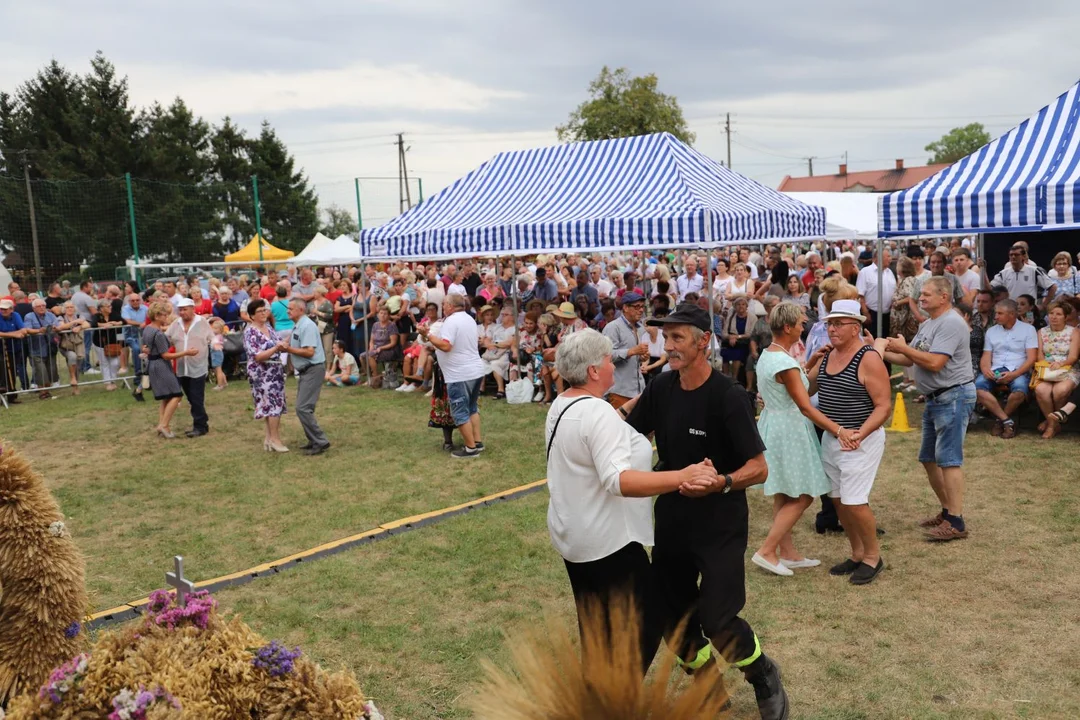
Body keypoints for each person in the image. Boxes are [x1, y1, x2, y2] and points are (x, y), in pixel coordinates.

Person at [616, 303, 785, 719]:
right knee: (672, 615)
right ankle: (707, 683)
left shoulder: (728, 396)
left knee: (718, 618)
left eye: (677, 338)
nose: (668, 346)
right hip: (673, 517)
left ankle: (762, 673)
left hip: (720, 522)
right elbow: (626, 435)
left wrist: (722, 481)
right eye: (665, 337)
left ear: (703, 341)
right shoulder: (661, 388)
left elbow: (759, 469)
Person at [545, 328, 716, 674]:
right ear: (594, 370)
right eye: (608, 360)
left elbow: (610, 427)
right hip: (607, 542)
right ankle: (617, 699)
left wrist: (649, 394)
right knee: (647, 621)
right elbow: (619, 480)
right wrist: (685, 475)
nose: (613, 365)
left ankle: (598, 694)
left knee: (598, 628)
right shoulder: (596, 414)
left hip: (575, 536)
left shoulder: (566, 404)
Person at [752, 302, 849, 577]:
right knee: (805, 493)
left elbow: (791, 382)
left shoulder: (770, 355)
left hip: (775, 425)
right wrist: (839, 430)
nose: (803, 327)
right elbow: (805, 405)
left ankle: (789, 553)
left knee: (783, 492)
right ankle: (768, 550)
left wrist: (810, 362)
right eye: (800, 323)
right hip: (790, 430)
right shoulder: (783, 361)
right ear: (787, 327)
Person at [878, 277, 976, 542]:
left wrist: (903, 347)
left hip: (952, 396)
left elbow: (934, 363)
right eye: (920, 295)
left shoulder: (952, 322)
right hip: (936, 398)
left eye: (926, 295)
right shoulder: (930, 323)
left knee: (949, 459)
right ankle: (948, 512)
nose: (920, 298)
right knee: (929, 458)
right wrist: (878, 348)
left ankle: (955, 521)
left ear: (944, 297)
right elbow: (908, 357)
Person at [808, 299, 892, 585]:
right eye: (829, 323)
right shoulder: (828, 354)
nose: (831, 329)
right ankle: (857, 553)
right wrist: (810, 362)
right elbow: (807, 387)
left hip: (859, 438)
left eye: (838, 323)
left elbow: (883, 406)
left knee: (854, 501)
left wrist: (860, 434)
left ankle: (872, 557)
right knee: (838, 500)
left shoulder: (868, 358)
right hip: (833, 437)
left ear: (856, 327)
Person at [418, 293, 486, 459]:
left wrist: (429, 335)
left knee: (460, 411)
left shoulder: (451, 321)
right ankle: (477, 442)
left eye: (444, 304)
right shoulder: (469, 318)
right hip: (474, 370)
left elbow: (446, 346)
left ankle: (470, 449)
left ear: (450, 305)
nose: (442, 307)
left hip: (459, 374)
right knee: (472, 408)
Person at [975, 299, 1038, 439]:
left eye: (999, 313)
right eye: (996, 313)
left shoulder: (1028, 330)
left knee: (1020, 390)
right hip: (996, 368)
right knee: (978, 388)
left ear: (1011, 314)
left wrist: (1014, 374)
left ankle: (999, 421)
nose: (995, 316)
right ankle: (1007, 420)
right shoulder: (992, 331)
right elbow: (986, 355)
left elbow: (1031, 358)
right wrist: (985, 368)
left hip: (1018, 369)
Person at [277, 298, 330, 455]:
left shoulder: (307, 326)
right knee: (305, 408)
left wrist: (289, 350)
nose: (288, 311)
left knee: (303, 408)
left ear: (301, 310)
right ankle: (313, 440)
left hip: (313, 369)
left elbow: (309, 352)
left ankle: (320, 441)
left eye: (291, 309)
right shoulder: (298, 325)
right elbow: (293, 341)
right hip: (307, 370)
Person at [243, 299, 288, 452]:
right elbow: (257, 356)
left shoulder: (268, 327)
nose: (263, 313)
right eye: (259, 311)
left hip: (275, 370)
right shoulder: (250, 331)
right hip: (261, 373)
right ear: (252, 316)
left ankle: (269, 438)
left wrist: (285, 343)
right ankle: (275, 440)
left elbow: (279, 343)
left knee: (273, 405)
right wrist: (276, 348)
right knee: (272, 405)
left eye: (265, 310)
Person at [1033, 300, 1080, 438]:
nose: (1054, 317)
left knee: (1060, 391)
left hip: (1068, 368)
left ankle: (1051, 423)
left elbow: (1073, 357)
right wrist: (1047, 365)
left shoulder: (1074, 332)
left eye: (1058, 314)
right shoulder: (1042, 332)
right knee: (1041, 390)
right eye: (1051, 313)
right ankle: (1053, 423)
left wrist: (1061, 364)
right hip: (1046, 369)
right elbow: (1039, 355)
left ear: (1065, 317)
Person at [167, 298, 212, 438]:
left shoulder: (202, 322)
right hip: (181, 367)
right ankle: (203, 422)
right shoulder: (176, 323)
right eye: (180, 310)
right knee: (191, 398)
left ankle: (199, 426)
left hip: (198, 366)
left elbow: (212, 338)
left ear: (193, 309)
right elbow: (166, 337)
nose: (182, 312)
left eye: (185, 309)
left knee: (196, 397)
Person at [142, 302, 188, 439]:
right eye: (164, 315)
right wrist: (185, 353)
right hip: (161, 365)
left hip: (153, 364)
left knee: (166, 397)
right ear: (157, 316)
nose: (166, 317)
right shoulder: (158, 334)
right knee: (176, 394)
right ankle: (164, 425)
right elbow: (165, 355)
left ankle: (162, 424)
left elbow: (145, 347)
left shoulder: (147, 329)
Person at [601, 291, 647, 408]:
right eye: (637, 307)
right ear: (625, 308)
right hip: (619, 391)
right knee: (620, 425)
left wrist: (642, 357)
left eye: (642, 307)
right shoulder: (613, 327)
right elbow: (606, 356)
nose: (641, 310)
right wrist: (631, 351)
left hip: (639, 389)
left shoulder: (641, 328)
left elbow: (637, 356)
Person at [990, 243, 1055, 306]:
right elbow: (990, 288)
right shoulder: (1003, 273)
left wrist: (1043, 305)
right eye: (1011, 255)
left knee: (1030, 317)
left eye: (1016, 255)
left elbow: (1052, 287)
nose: (1013, 257)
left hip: (1029, 312)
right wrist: (983, 270)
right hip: (1011, 310)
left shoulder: (1034, 271)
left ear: (1023, 256)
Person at [23, 298, 60, 400]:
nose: (42, 308)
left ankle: (46, 392)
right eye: (39, 306)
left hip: (50, 348)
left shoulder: (51, 315)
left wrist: (54, 328)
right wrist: (39, 330)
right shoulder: (29, 316)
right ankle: (42, 392)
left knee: (50, 371)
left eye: (43, 305)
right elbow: (27, 329)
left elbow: (58, 326)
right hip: (36, 349)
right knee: (41, 371)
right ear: (34, 308)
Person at [856, 247, 895, 339]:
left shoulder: (889, 272)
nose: (890, 259)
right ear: (878, 258)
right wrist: (865, 312)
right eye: (888, 256)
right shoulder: (865, 272)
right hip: (872, 313)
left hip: (887, 314)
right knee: (871, 340)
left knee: (884, 340)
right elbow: (860, 294)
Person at [91, 298, 124, 391]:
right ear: (101, 308)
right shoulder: (97, 315)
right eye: (108, 306)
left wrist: (115, 323)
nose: (110, 307)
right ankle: (108, 383)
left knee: (115, 363)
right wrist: (104, 325)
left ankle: (113, 380)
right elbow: (93, 324)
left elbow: (124, 321)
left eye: (110, 306)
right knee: (104, 363)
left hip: (113, 343)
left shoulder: (114, 314)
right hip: (99, 343)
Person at [121, 293, 149, 402]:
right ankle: (138, 375)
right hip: (131, 337)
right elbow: (127, 321)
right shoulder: (126, 309)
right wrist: (140, 324)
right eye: (133, 300)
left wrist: (145, 324)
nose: (136, 302)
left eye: (137, 300)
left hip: (145, 336)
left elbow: (150, 318)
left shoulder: (145, 308)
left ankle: (143, 385)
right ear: (129, 301)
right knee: (137, 349)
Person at [721, 295, 752, 381]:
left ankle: (734, 378)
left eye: (743, 304)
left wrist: (737, 337)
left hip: (744, 342)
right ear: (735, 306)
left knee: (737, 353)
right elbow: (724, 333)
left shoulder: (752, 317)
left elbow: (751, 333)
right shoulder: (731, 317)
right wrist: (730, 337)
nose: (741, 306)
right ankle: (725, 377)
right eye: (738, 304)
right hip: (730, 341)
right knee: (725, 352)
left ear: (746, 306)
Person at [209, 318, 228, 390]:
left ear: (220, 329)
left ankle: (220, 385)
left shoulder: (218, 337)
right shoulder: (216, 336)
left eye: (215, 328)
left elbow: (215, 345)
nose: (213, 329)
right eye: (213, 328)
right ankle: (225, 382)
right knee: (219, 369)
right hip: (216, 353)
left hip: (216, 353)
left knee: (218, 369)